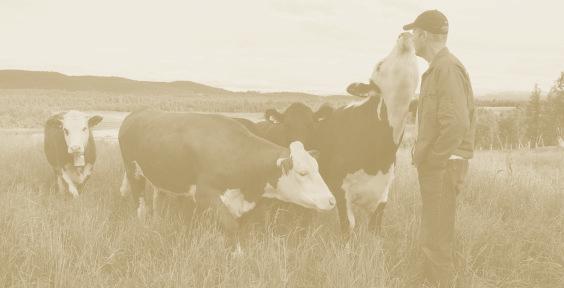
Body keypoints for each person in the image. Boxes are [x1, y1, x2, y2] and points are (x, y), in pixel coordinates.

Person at [403, 10, 476, 287]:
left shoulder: (445, 69)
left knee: (437, 239)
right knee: (434, 232)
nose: (411, 38)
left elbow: (457, 123)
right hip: (442, 163)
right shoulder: (438, 68)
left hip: (443, 165)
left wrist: (433, 160)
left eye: (413, 33)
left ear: (423, 35)